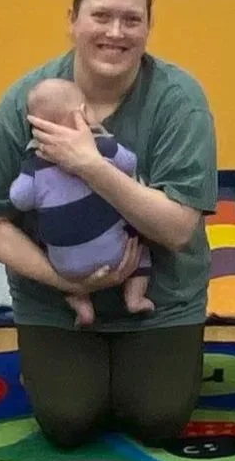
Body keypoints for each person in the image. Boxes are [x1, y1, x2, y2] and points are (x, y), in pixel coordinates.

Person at [0, 0, 218, 448]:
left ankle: (146, 362)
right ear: (73, 20)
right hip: (58, 298)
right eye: (101, 16)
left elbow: (176, 230)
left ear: (149, 27)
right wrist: (62, 278)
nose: (115, 33)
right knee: (68, 421)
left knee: (157, 420)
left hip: (158, 296)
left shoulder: (179, 100)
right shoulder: (27, 102)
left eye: (132, 20)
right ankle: (61, 366)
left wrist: (90, 165)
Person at [10, 77, 154, 326]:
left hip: (66, 268)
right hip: (119, 256)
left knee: (57, 264)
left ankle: (82, 305)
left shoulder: (34, 165)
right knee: (142, 252)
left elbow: (19, 200)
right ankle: (135, 297)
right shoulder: (100, 146)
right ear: (84, 114)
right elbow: (130, 162)